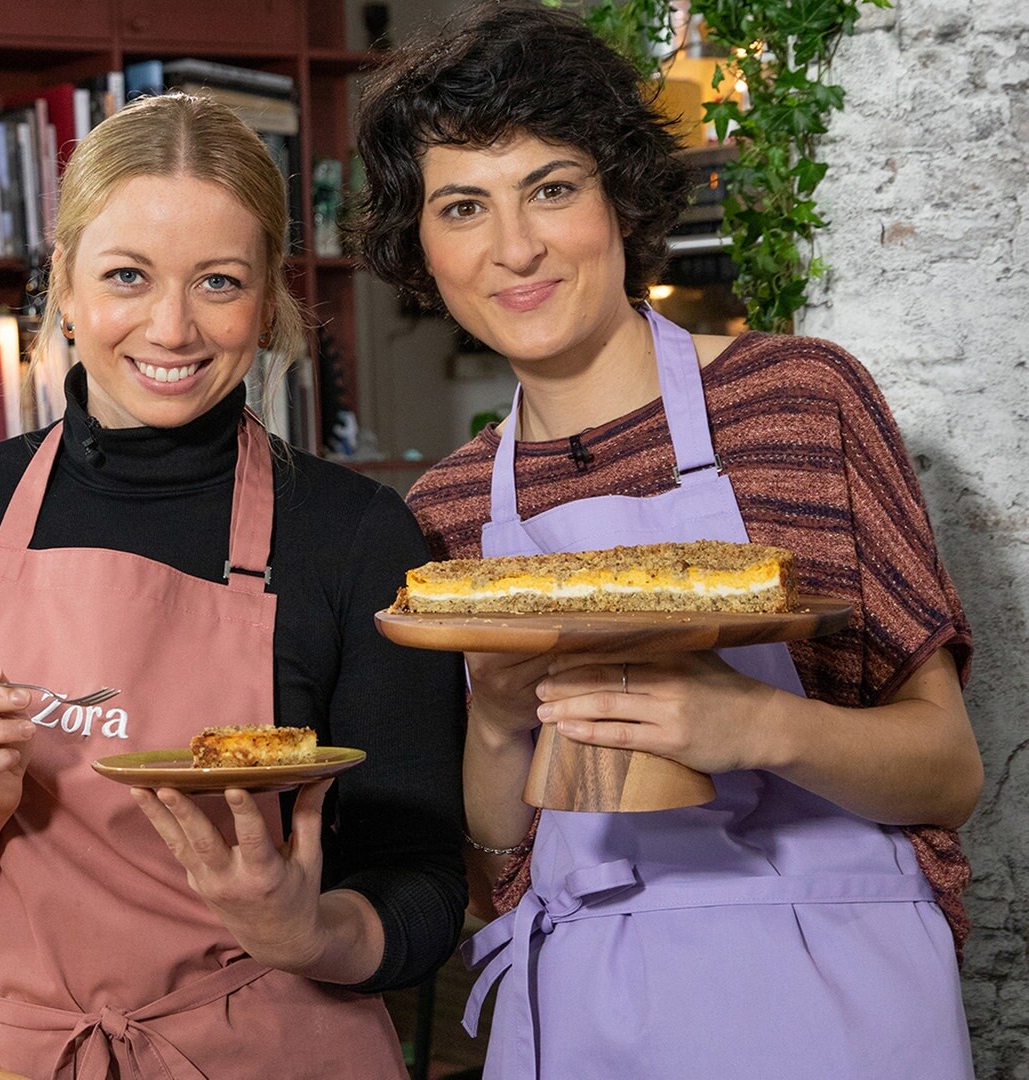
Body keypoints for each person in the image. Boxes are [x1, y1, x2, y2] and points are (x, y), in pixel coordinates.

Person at [351, 3, 982, 1077]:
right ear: (423, 248)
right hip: (579, 1004)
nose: (514, 248)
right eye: (463, 207)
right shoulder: (449, 507)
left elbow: (946, 770)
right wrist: (501, 727)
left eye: (551, 187)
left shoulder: (795, 400)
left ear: (620, 199)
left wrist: (751, 724)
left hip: (831, 991)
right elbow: (499, 862)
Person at [0, 92, 465, 1079]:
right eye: (126, 275)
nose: (172, 326)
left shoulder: (357, 536)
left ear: (268, 301)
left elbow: (423, 892)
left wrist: (305, 930)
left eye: (219, 282)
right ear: (62, 284)